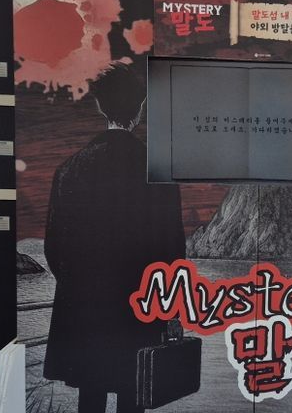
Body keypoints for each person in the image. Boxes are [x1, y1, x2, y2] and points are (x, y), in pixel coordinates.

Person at [43, 62, 186, 413]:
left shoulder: (70, 170)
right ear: (139, 108)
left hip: (86, 311)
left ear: (99, 105)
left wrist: (81, 286)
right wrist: (170, 310)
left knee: (89, 394)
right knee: (133, 393)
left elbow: (54, 248)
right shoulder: (158, 172)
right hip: (140, 309)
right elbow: (172, 252)